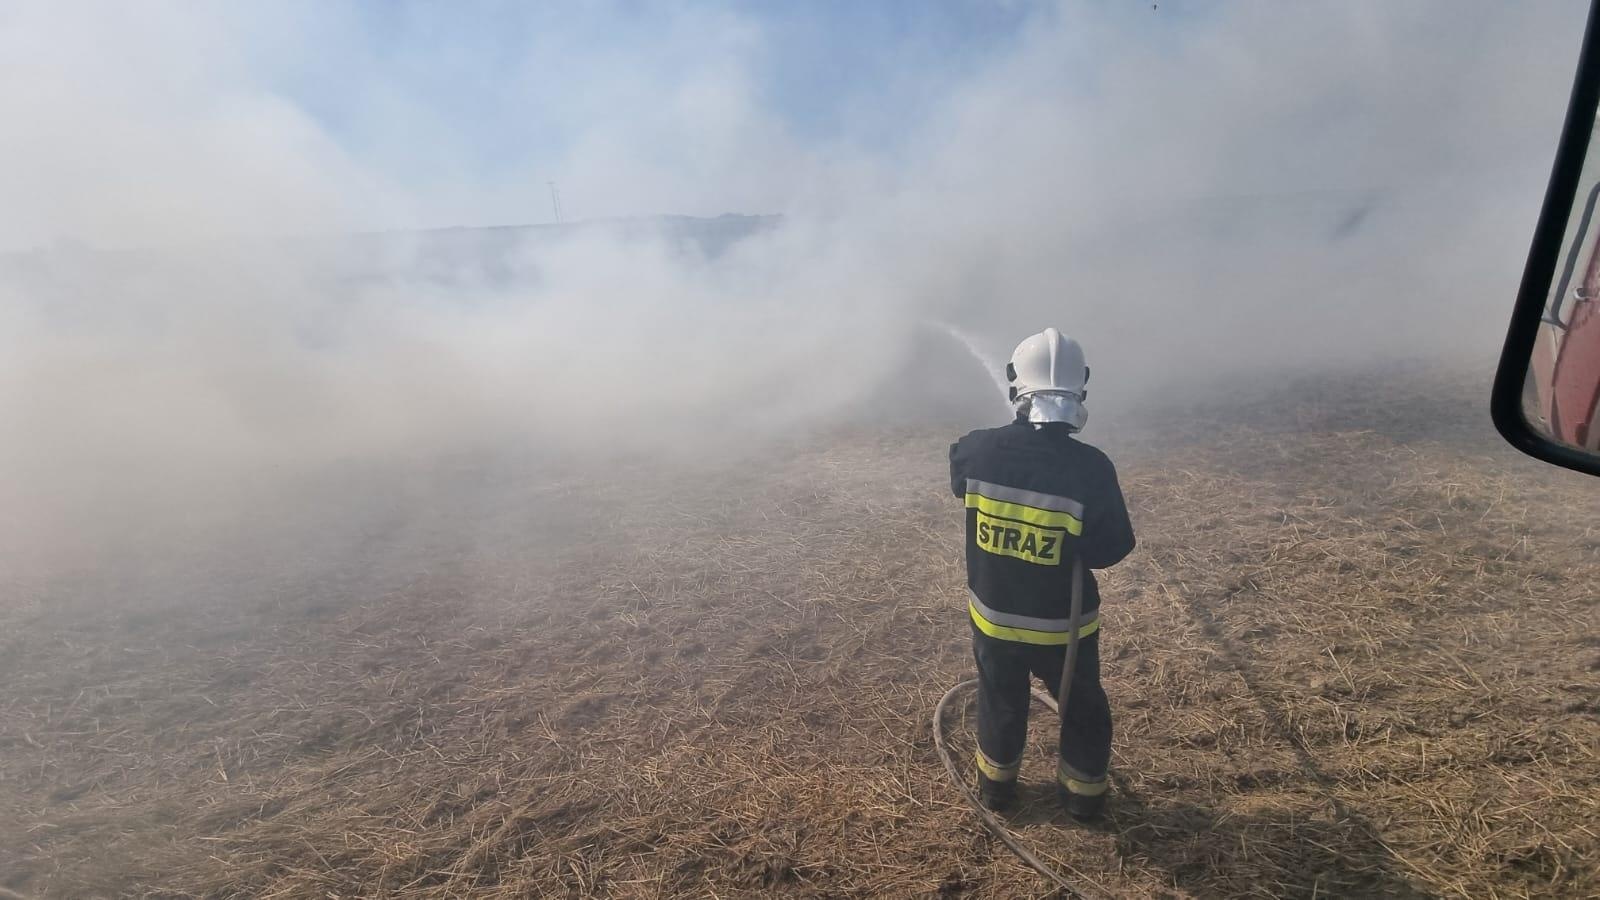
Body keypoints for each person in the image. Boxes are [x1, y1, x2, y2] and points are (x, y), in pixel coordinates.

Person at [948, 327, 1136, 821]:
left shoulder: (977, 450)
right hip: (1064, 629)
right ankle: (1083, 800)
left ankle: (996, 790)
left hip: (994, 620)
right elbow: (1111, 548)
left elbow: (958, 479)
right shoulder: (1091, 469)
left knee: (1001, 702)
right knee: (1082, 708)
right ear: (1082, 390)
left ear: (1015, 386)